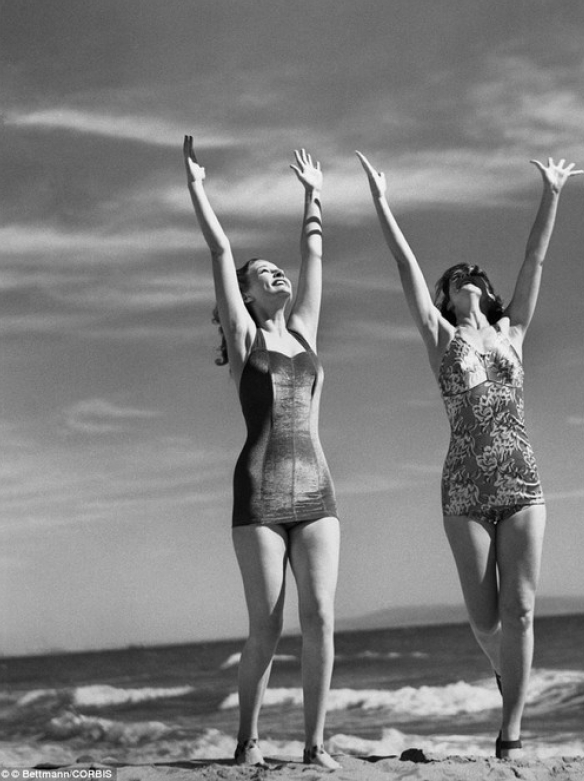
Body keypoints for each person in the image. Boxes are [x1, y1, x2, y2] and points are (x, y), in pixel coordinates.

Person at [356, 150, 583, 760]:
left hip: (521, 479)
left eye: (475, 273)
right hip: (463, 486)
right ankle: (506, 670)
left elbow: (535, 258)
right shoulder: (441, 338)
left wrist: (552, 193)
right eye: (455, 275)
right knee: (487, 622)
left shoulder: (512, 333)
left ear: (486, 288)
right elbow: (404, 264)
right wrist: (381, 200)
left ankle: (510, 733)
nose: (467, 276)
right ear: (446, 294)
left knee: (523, 610)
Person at [184, 136, 340, 770]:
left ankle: (315, 745)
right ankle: (248, 739)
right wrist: (197, 187)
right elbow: (220, 250)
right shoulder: (246, 335)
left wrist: (313, 196)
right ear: (244, 297)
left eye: (278, 270)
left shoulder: (304, 328)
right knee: (269, 628)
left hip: (318, 489)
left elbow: (312, 253)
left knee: (324, 617)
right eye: (263, 273)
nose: (277, 274)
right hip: (259, 492)